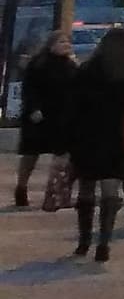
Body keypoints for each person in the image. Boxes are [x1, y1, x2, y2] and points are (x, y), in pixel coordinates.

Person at [65, 27, 124, 262]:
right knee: (110, 191)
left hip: (87, 137)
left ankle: (84, 241)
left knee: (86, 189)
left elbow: (73, 107)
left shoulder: (86, 72)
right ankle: (104, 243)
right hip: (117, 139)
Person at [13, 27, 78, 209]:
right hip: (39, 116)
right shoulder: (38, 64)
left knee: (62, 155)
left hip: (61, 117)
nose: (66, 45)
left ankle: (56, 192)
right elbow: (29, 89)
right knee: (31, 154)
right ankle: (21, 187)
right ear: (51, 45)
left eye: (68, 42)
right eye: (61, 42)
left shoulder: (71, 65)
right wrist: (34, 108)